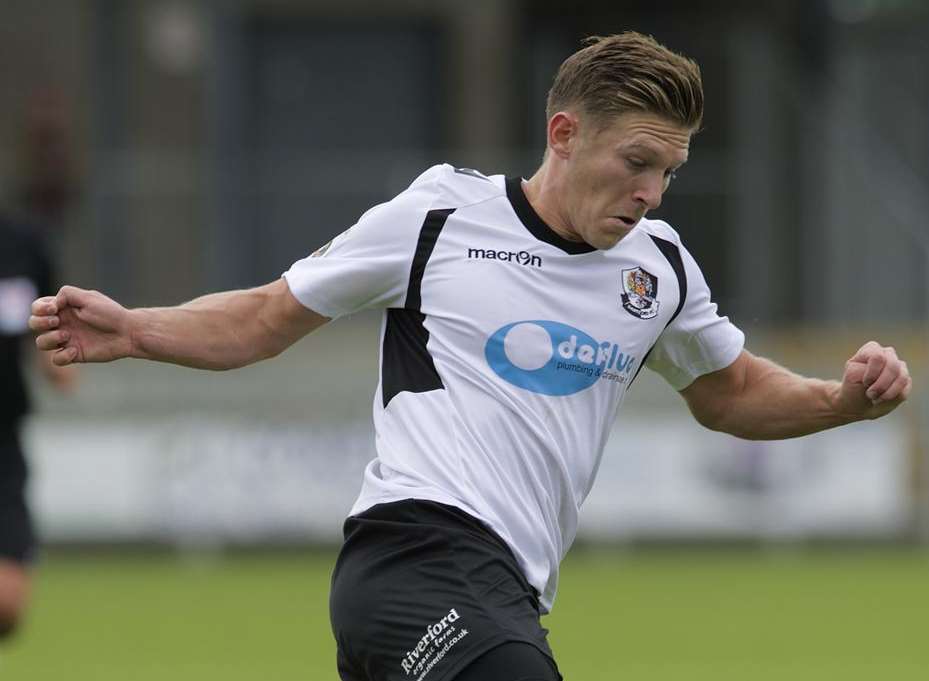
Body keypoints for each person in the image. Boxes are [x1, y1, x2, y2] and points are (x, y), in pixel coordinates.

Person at [29, 32, 910, 680]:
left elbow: (729, 391)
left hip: (507, 590)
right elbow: (265, 316)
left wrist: (840, 400)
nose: (649, 190)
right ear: (563, 134)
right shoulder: (440, 218)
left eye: (670, 171)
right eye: (636, 160)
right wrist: (138, 328)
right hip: (415, 555)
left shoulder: (660, 267)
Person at [0, 214, 75, 638]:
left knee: (8, 607)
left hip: (3, 442)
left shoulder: (22, 244)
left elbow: (45, 325)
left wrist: (60, 360)